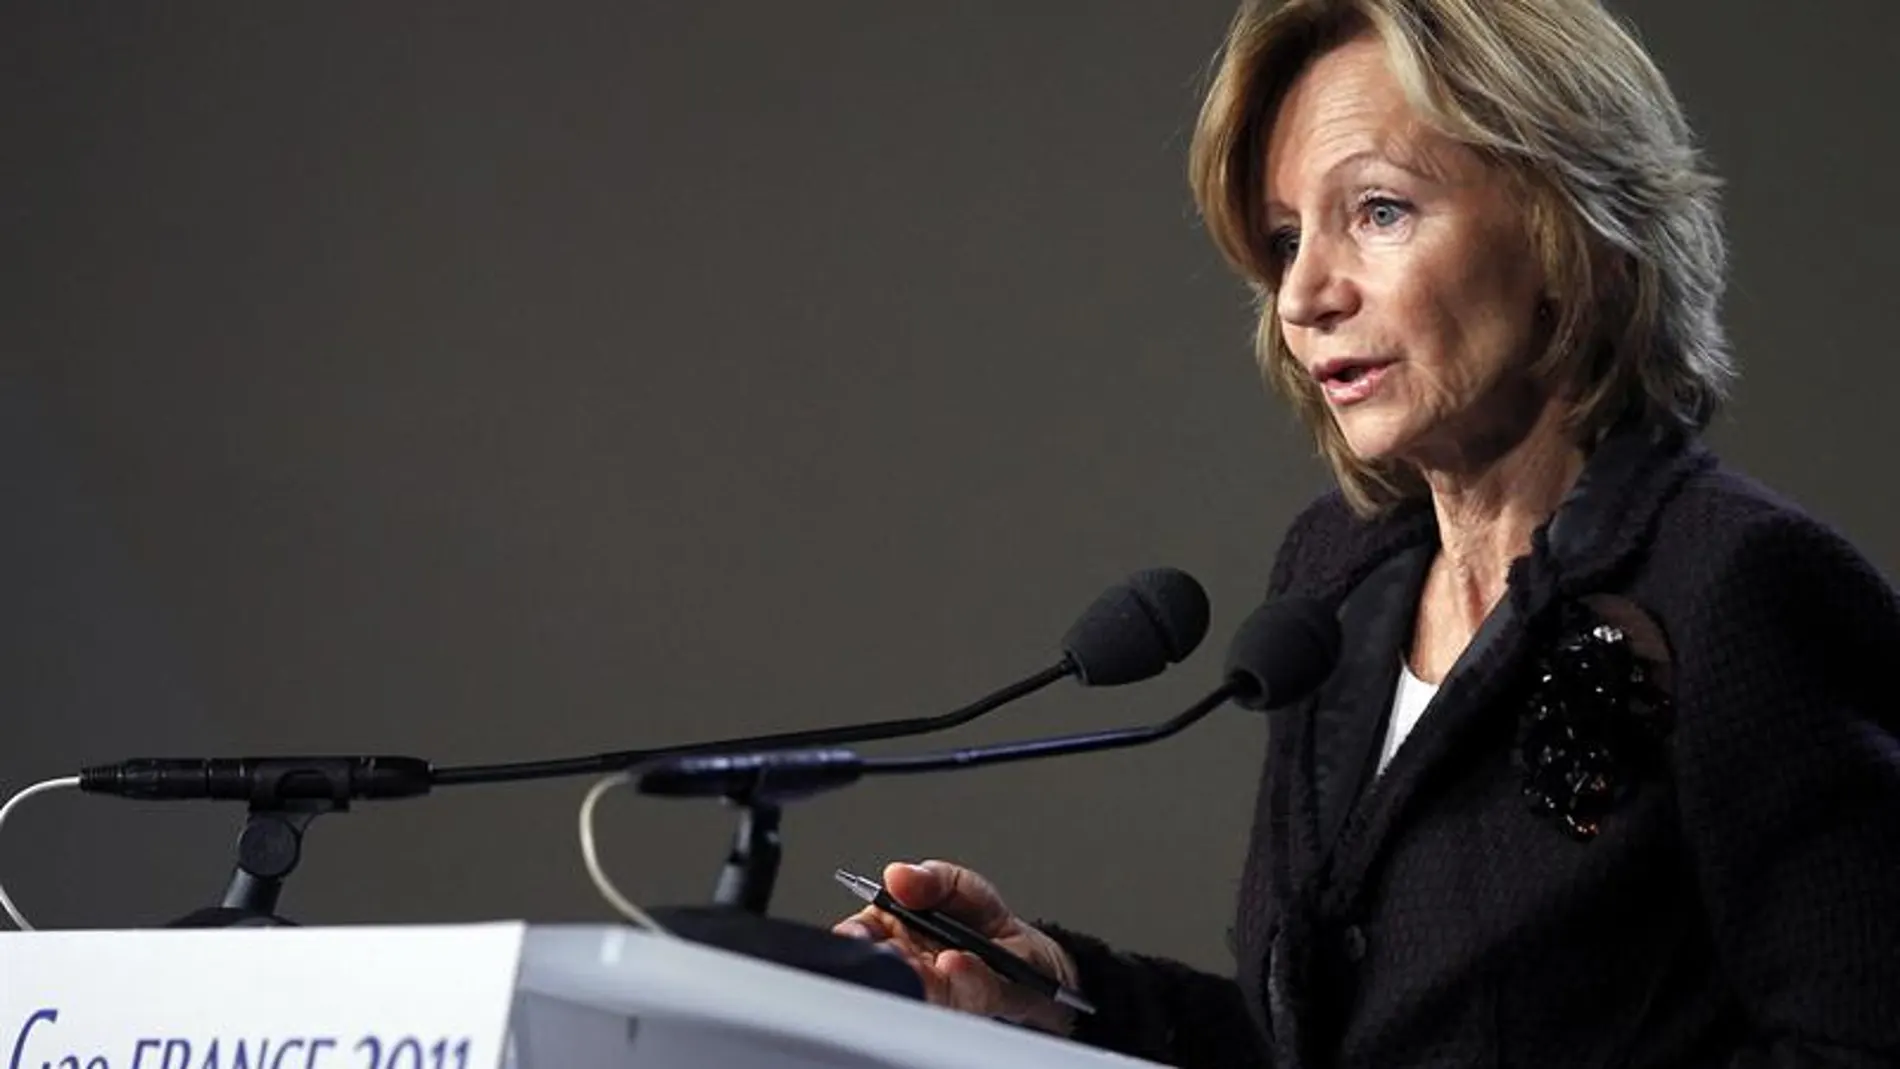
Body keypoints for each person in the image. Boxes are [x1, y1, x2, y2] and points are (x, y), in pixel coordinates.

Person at [833, 0, 1900, 1066]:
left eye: (1379, 211)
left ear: (1569, 231)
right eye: (1287, 237)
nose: (1302, 295)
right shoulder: (1336, 578)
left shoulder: (1741, 585)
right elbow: (1327, 1044)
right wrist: (1051, 989)